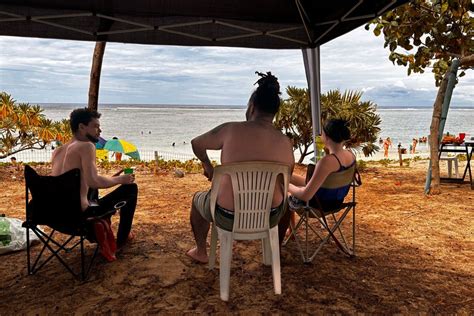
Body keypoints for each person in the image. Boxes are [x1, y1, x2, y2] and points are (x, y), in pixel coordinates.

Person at [186, 71, 295, 263]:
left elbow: (196, 143)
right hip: (268, 217)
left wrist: (208, 166)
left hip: (226, 216)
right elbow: (283, 184)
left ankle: (201, 252)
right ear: (274, 112)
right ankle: (273, 252)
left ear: (252, 107)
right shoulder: (285, 142)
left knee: (197, 199)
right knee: (286, 205)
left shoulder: (230, 130)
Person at [51, 108, 138, 260]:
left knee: (94, 193)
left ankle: (103, 226)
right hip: (79, 216)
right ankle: (123, 237)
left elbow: (79, 181)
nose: (100, 130)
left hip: (55, 215)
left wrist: (108, 179)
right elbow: (94, 181)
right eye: (96, 126)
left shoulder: (57, 151)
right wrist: (121, 179)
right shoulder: (86, 146)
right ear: (81, 127)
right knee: (131, 188)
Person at [279, 119, 356, 236]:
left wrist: (287, 186)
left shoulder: (327, 162)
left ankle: (290, 231)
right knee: (287, 177)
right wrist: (288, 180)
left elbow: (305, 195)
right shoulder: (351, 155)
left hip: (318, 206)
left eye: (322, 133)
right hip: (335, 201)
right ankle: (291, 231)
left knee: (283, 191)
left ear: (327, 137)